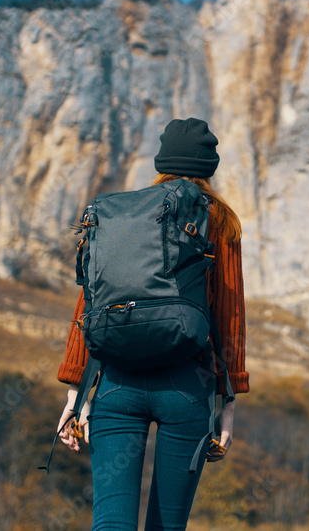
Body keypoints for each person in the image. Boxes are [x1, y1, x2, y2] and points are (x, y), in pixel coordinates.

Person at [54, 117, 250, 530]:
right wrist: (227, 403)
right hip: (186, 388)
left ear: (162, 163)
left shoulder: (122, 215)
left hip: (116, 385)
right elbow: (228, 315)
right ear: (209, 168)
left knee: (111, 523)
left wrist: (75, 395)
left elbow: (88, 302)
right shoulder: (218, 219)